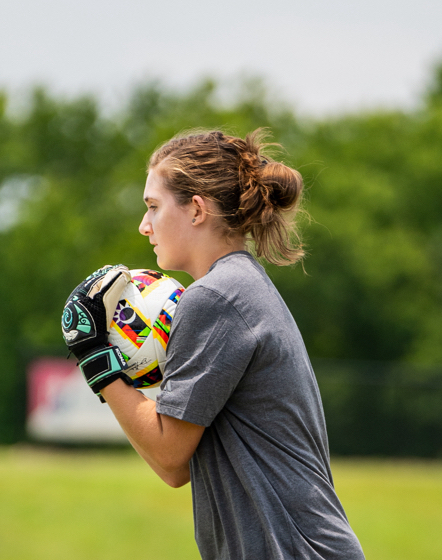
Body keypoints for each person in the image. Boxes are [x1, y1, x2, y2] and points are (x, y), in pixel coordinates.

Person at [60, 129, 365, 560]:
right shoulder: (238, 285)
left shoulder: (215, 298)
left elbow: (169, 458)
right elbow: (183, 464)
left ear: (197, 210)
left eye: (153, 206)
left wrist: (97, 360)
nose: (144, 225)